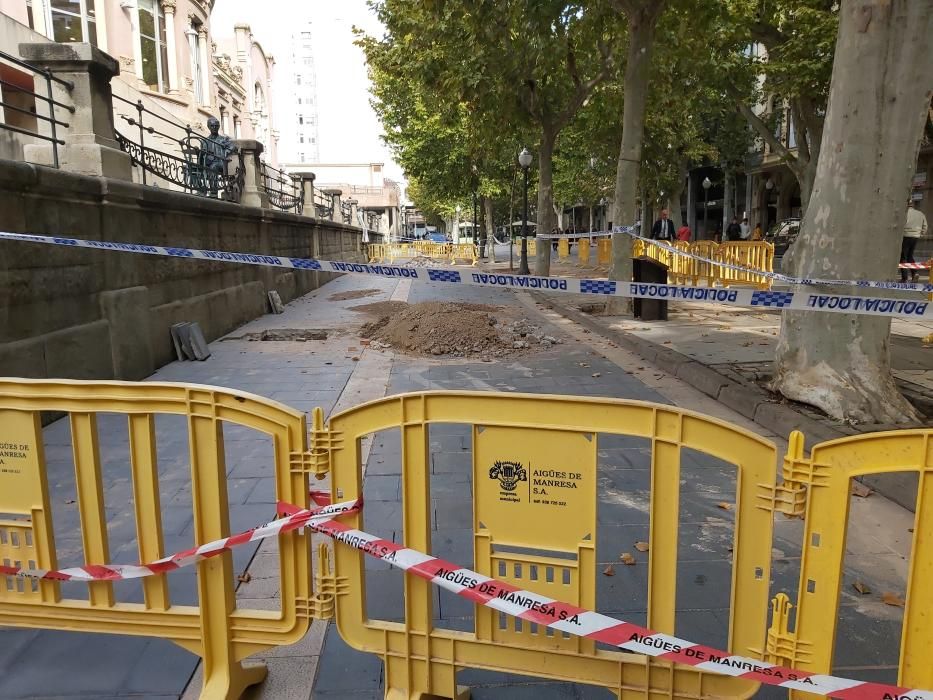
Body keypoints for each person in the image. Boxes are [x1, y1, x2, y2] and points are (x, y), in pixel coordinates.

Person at [901, 199, 928, 282]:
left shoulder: (904, 213)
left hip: (906, 235)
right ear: (912, 205)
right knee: (910, 256)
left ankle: (904, 278)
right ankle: (914, 273)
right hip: (915, 236)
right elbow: (925, 226)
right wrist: (920, 234)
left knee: (903, 257)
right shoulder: (920, 214)